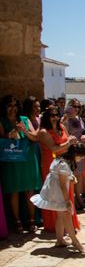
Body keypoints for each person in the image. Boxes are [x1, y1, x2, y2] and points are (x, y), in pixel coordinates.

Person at [31, 143, 85, 253]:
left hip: (53, 189)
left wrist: (71, 178)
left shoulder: (60, 159)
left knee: (60, 215)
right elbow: (62, 184)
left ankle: (60, 239)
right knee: (66, 214)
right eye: (80, 157)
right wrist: (67, 200)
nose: (80, 160)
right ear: (75, 154)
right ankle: (75, 241)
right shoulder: (64, 165)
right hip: (58, 192)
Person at [0, 95, 41, 233]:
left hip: (27, 158)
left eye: (15, 105)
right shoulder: (2, 121)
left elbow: (35, 137)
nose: (13, 108)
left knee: (30, 189)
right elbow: (2, 139)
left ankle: (31, 220)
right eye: (9, 105)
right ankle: (17, 222)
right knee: (14, 191)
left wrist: (23, 130)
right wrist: (12, 133)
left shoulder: (24, 119)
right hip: (11, 159)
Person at [37, 107, 79, 233]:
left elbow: (68, 141)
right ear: (46, 117)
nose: (55, 118)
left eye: (56, 114)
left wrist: (73, 142)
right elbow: (53, 148)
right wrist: (69, 143)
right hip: (51, 164)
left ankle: (68, 224)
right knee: (55, 194)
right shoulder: (44, 131)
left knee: (68, 192)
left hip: (65, 163)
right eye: (52, 115)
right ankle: (54, 226)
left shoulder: (62, 127)